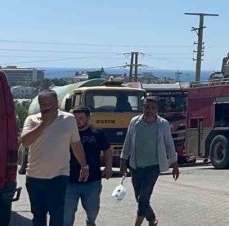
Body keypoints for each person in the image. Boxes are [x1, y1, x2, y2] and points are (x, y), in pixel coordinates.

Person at [21, 90, 89, 226]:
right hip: (35, 177)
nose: (47, 107)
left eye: (50, 103)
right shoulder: (32, 120)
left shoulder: (69, 119)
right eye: (43, 104)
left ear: (57, 103)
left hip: (59, 176)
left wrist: (84, 165)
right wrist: (44, 124)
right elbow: (25, 142)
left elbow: (76, 144)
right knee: (38, 216)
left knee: (57, 215)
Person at [120, 96, 179, 226]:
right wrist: (123, 160)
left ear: (157, 109)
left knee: (143, 197)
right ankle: (152, 219)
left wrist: (174, 164)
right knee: (139, 198)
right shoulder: (134, 122)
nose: (149, 110)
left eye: (152, 108)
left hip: (153, 166)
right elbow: (128, 142)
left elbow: (169, 144)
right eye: (147, 107)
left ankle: (137, 224)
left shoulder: (163, 124)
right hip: (135, 166)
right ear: (143, 107)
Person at [64, 107, 113, 226]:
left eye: (81, 118)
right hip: (70, 180)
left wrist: (108, 167)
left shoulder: (97, 133)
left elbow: (107, 150)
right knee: (67, 215)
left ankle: (90, 223)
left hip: (93, 181)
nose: (77, 121)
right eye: (75, 118)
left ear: (88, 117)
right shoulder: (67, 134)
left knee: (93, 210)